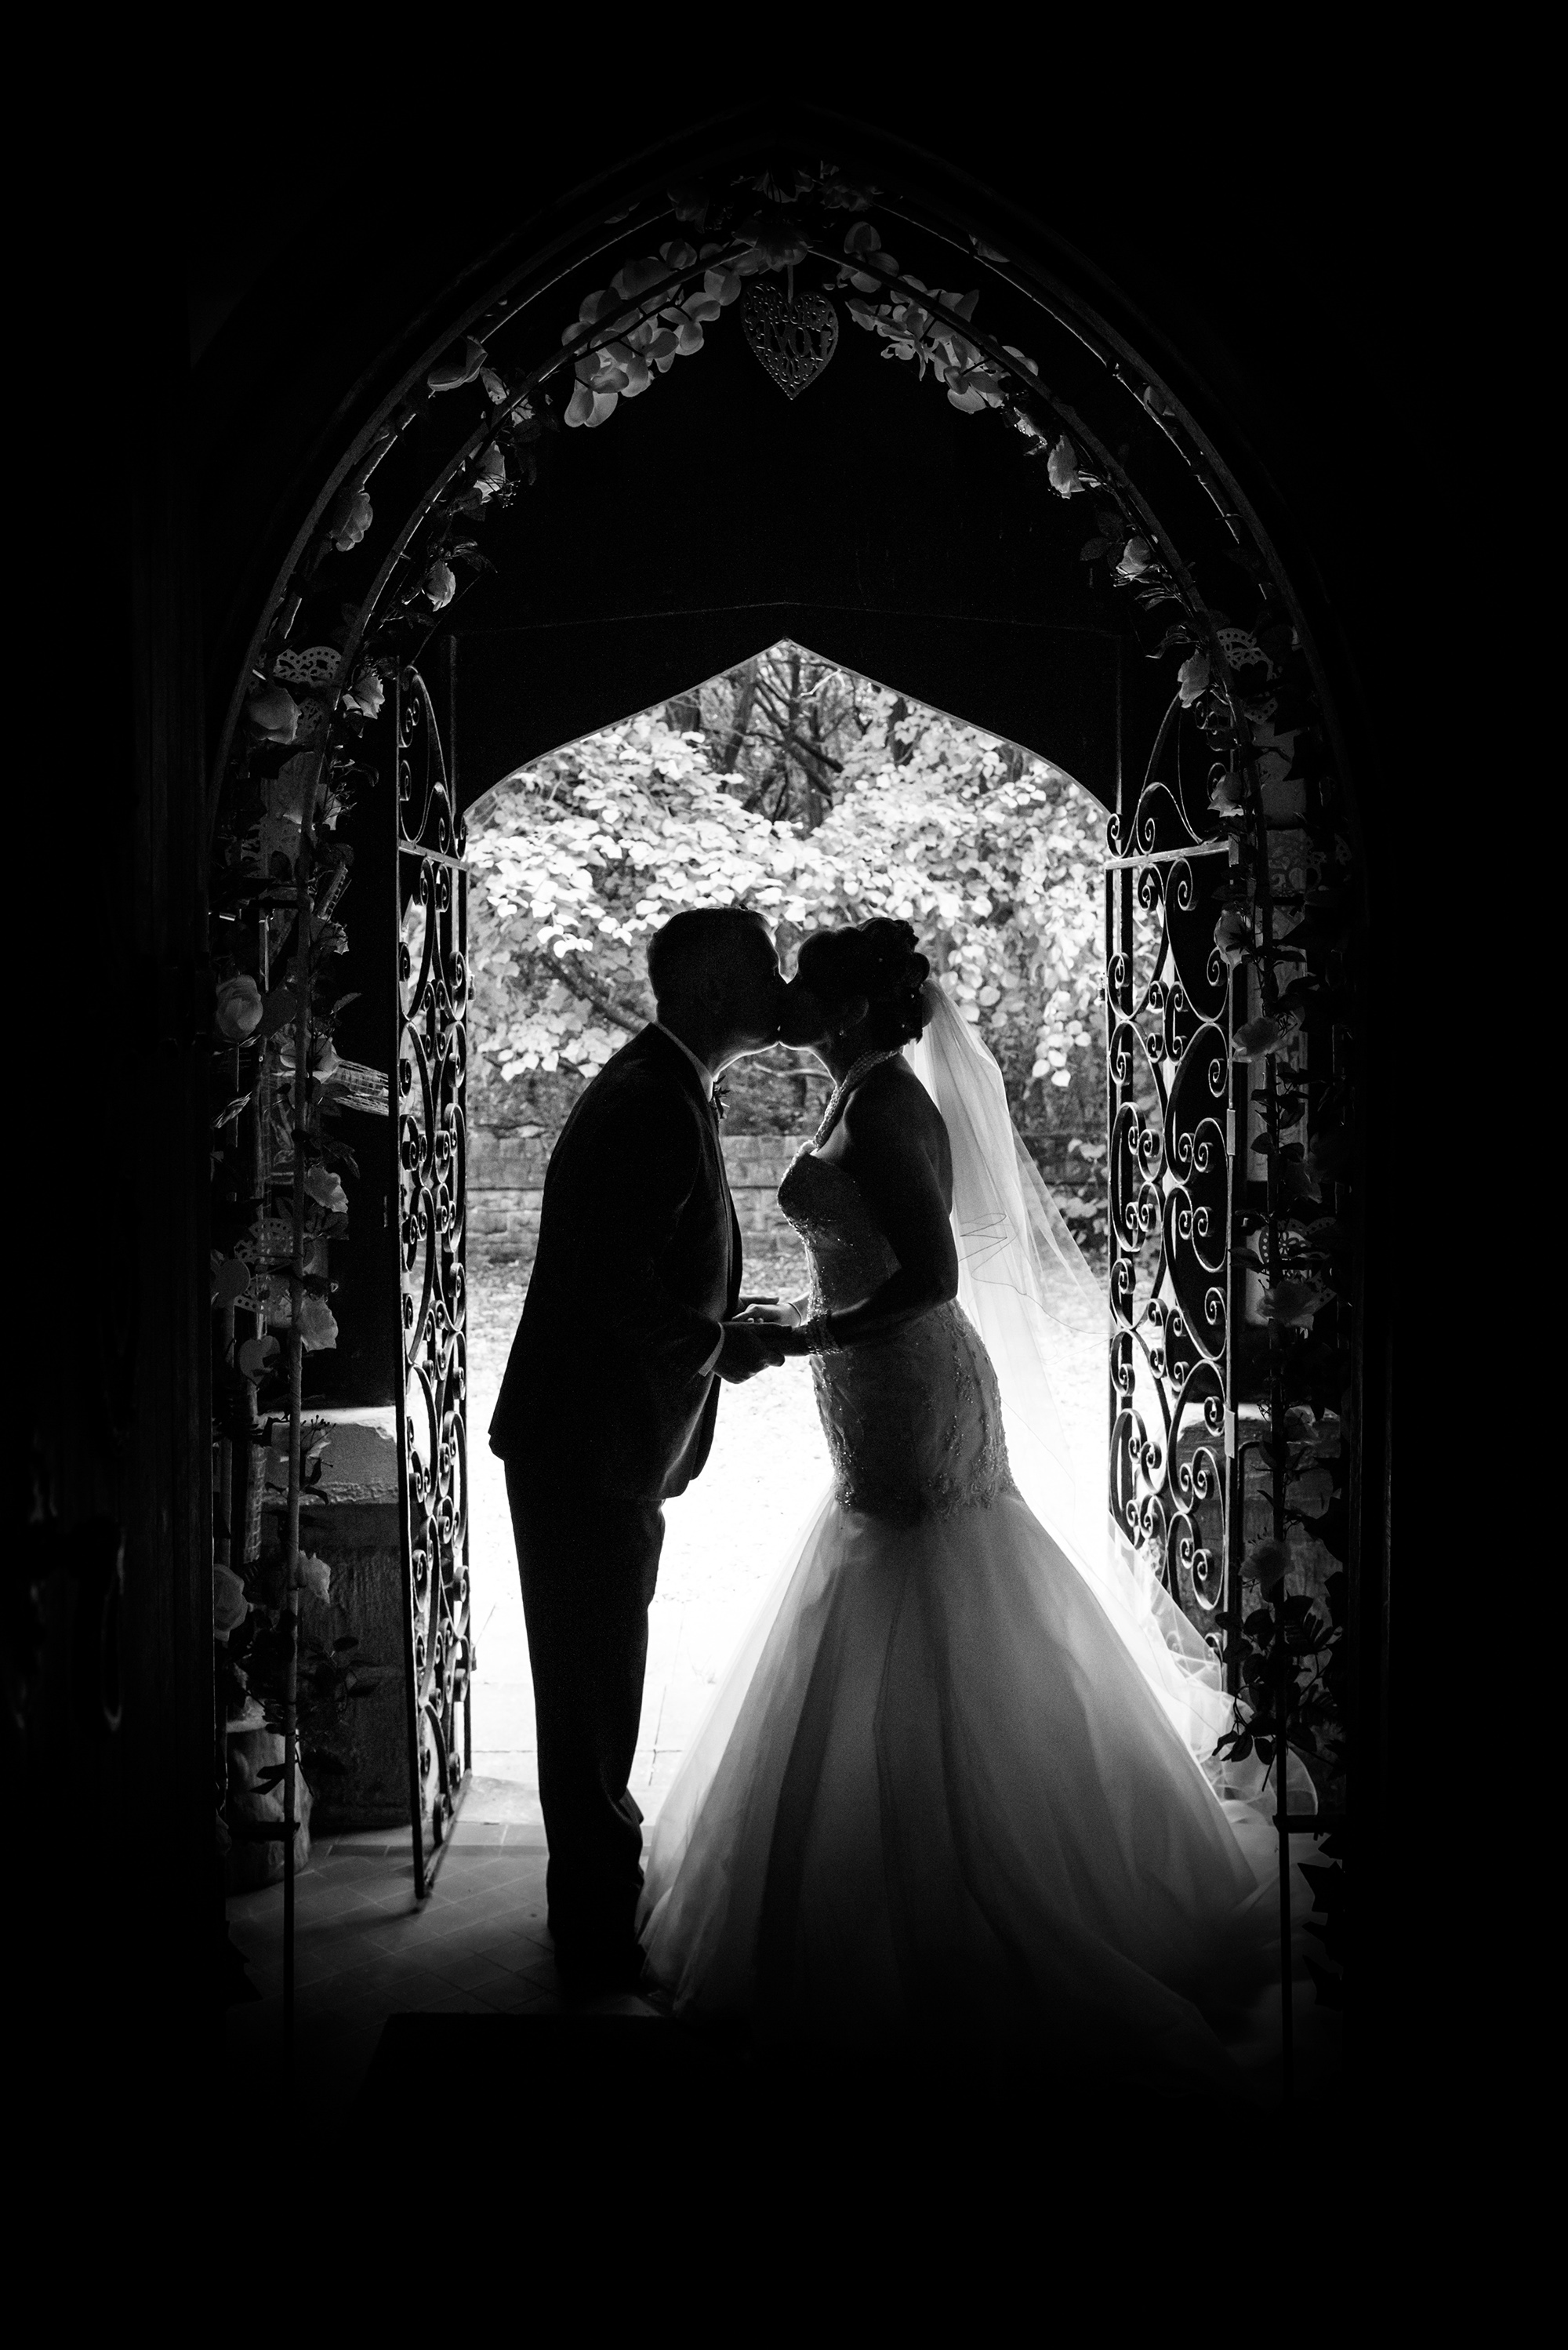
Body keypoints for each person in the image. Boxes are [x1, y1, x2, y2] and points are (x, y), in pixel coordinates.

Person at [638, 917, 1278, 2093]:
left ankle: (981, 1878)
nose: (784, 996)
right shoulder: (856, 1094)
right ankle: (888, 1877)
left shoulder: (886, 1107)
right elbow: (861, 1246)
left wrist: (813, 1335)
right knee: (882, 1573)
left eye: (805, 983)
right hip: (863, 1377)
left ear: (841, 1008)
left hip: (911, 1377)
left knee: (935, 1588)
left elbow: (930, 1279)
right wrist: (799, 1310)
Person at [489, 905, 788, 1991]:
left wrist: (725, 1307)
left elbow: (649, 1257)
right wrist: (723, 1341)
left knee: (597, 1686)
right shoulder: (647, 1102)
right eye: (764, 965)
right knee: (591, 1698)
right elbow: (606, 1282)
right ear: (711, 986)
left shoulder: (667, 1088)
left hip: (601, 1442)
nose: (780, 980)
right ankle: (597, 1941)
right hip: (585, 1446)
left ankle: (598, 1912)